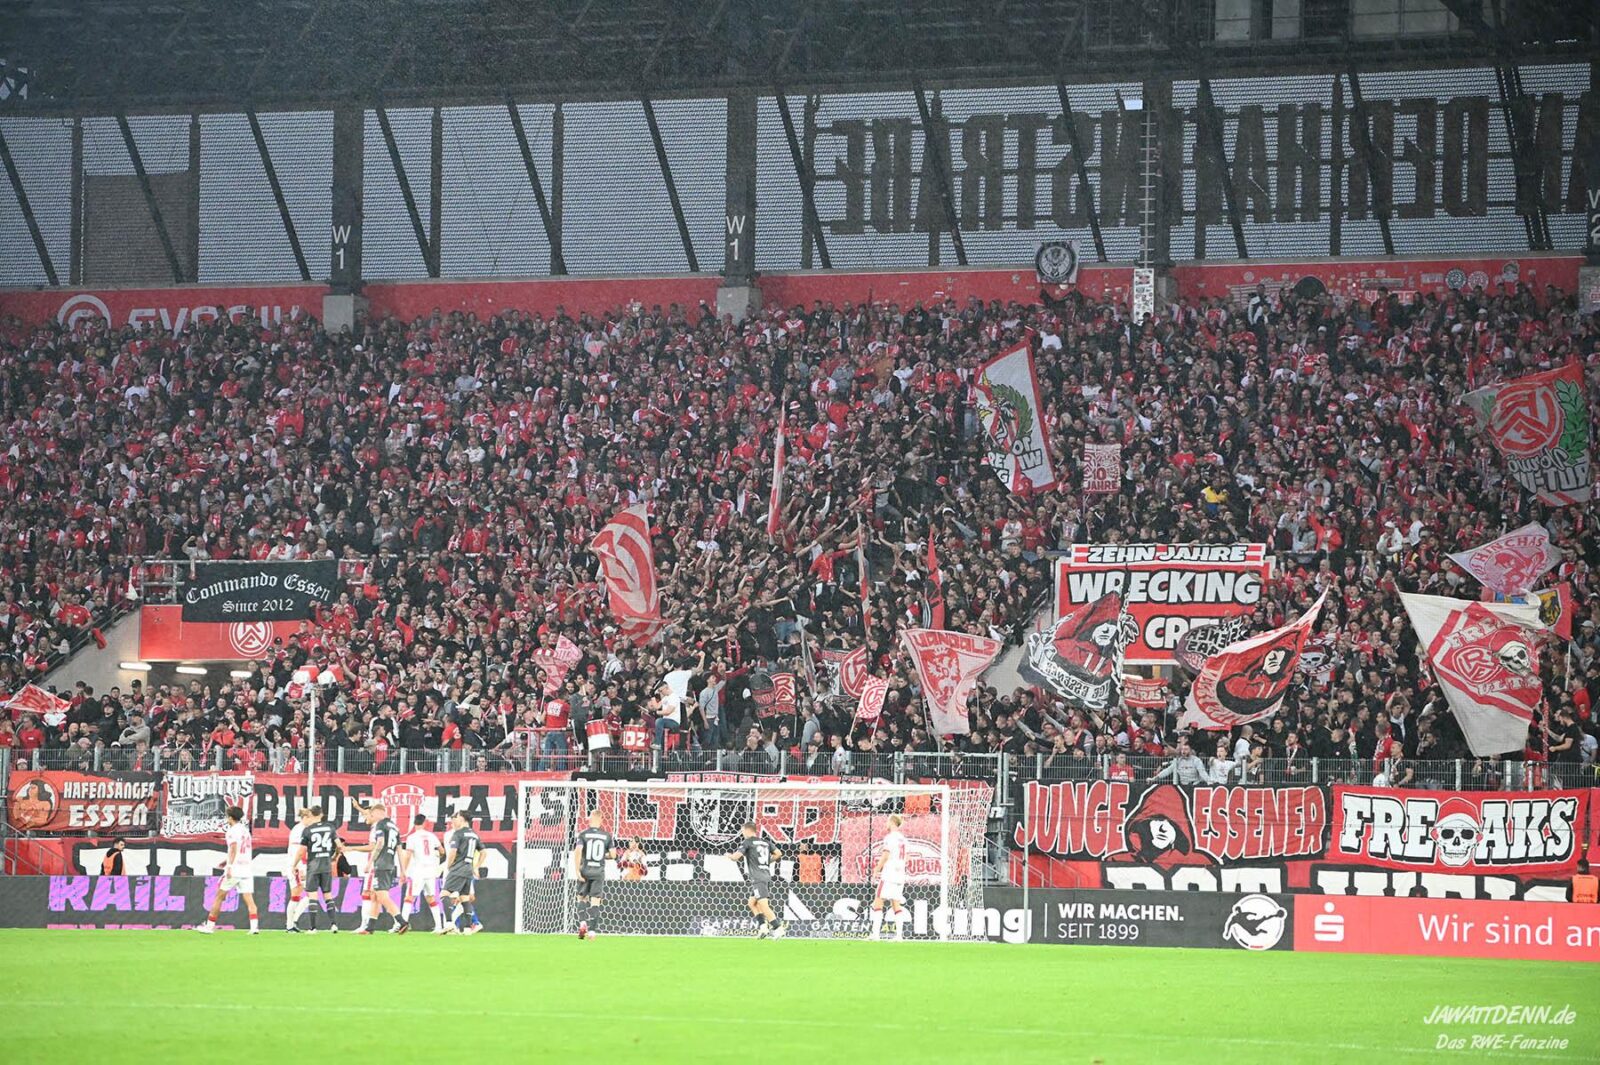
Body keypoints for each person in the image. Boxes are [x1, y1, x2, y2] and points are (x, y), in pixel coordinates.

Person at [345, 801, 407, 934]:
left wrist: (369, 862)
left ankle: (402, 921)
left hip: (381, 864)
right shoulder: (395, 827)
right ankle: (370, 927)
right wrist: (402, 870)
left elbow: (379, 843)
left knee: (382, 896)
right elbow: (400, 850)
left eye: (372, 814)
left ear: (378, 813)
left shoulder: (380, 825)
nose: (370, 816)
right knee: (375, 896)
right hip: (390, 864)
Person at [196, 805, 258, 934]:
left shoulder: (232, 831)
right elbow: (241, 850)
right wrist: (225, 861)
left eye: (227, 817)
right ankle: (254, 928)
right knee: (249, 899)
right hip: (246, 868)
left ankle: (209, 926)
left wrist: (229, 866)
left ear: (230, 817)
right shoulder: (245, 831)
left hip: (235, 869)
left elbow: (234, 848)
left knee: (219, 896)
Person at [729, 821, 784, 938]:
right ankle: (763, 927)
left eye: (743, 831)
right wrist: (767, 861)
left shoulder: (748, 842)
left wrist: (729, 856)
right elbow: (778, 853)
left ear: (748, 830)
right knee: (752, 903)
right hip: (764, 875)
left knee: (763, 905)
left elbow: (735, 857)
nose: (742, 833)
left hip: (758, 878)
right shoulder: (765, 842)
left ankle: (778, 927)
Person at [571, 810, 615, 940]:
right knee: (595, 901)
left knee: (581, 898)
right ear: (601, 820)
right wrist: (603, 855)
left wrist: (577, 871)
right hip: (598, 872)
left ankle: (582, 922)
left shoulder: (583, 835)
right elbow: (613, 855)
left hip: (585, 870)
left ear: (590, 819)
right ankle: (592, 932)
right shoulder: (607, 836)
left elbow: (578, 851)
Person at [297, 805, 341, 933]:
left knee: (312, 896)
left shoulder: (307, 830)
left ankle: (313, 928)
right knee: (328, 895)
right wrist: (334, 856)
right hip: (326, 865)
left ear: (311, 814)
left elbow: (301, 851)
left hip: (313, 866)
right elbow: (339, 846)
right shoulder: (330, 827)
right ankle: (334, 925)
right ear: (321, 814)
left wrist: (294, 864)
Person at [400, 814, 447, 933]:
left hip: (418, 871)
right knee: (431, 898)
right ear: (424, 823)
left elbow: (408, 855)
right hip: (431, 871)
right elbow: (442, 851)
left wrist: (403, 871)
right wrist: (435, 855)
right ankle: (439, 926)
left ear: (414, 823)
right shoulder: (432, 836)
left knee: (409, 897)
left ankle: (402, 924)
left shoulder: (412, 837)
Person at [442, 809, 482, 934]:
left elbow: (453, 851)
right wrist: (476, 866)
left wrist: (448, 866)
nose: (455, 820)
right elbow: (484, 852)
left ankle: (449, 924)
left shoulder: (458, 833)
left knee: (444, 894)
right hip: (468, 869)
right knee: (464, 898)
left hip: (458, 868)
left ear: (462, 819)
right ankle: (468, 927)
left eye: (457, 817)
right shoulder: (474, 835)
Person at [870, 813, 909, 941]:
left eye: (887, 822)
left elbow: (886, 855)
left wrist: (877, 869)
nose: (886, 824)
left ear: (892, 822)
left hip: (889, 874)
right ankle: (899, 936)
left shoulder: (889, 837)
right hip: (900, 874)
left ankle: (875, 935)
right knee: (895, 903)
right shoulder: (903, 839)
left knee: (878, 900)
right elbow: (906, 857)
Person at [283, 806, 311, 932]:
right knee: (297, 895)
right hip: (297, 866)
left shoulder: (302, 829)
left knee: (310, 894)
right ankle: (290, 924)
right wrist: (299, 867)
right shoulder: (299, 830)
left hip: (301, 865)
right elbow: (297, 851)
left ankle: (292, 922)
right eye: (310, 818)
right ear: (305, 817)